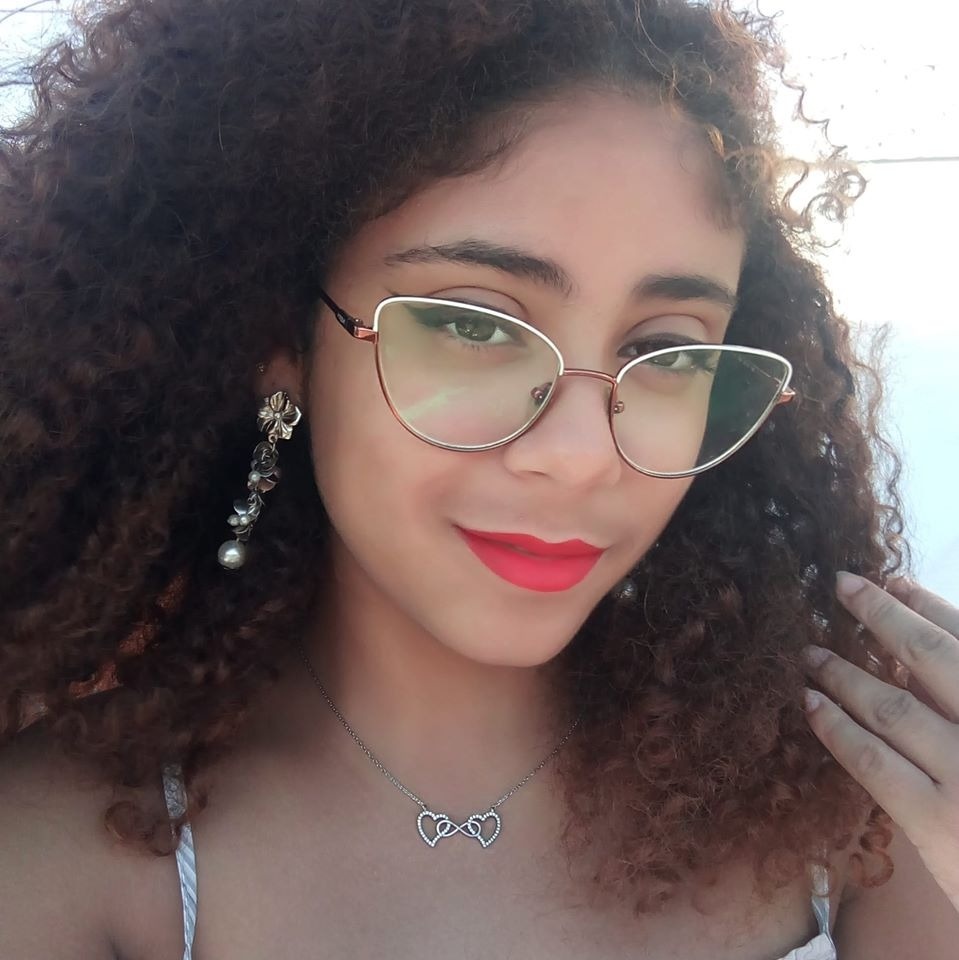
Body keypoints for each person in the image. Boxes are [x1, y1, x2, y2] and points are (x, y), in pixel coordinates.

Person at [1, 1, 957, 957]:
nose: (581, 454)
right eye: (474, 325)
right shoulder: (65, 857)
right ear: (279, 341)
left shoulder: (868, 802)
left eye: (664, 350)